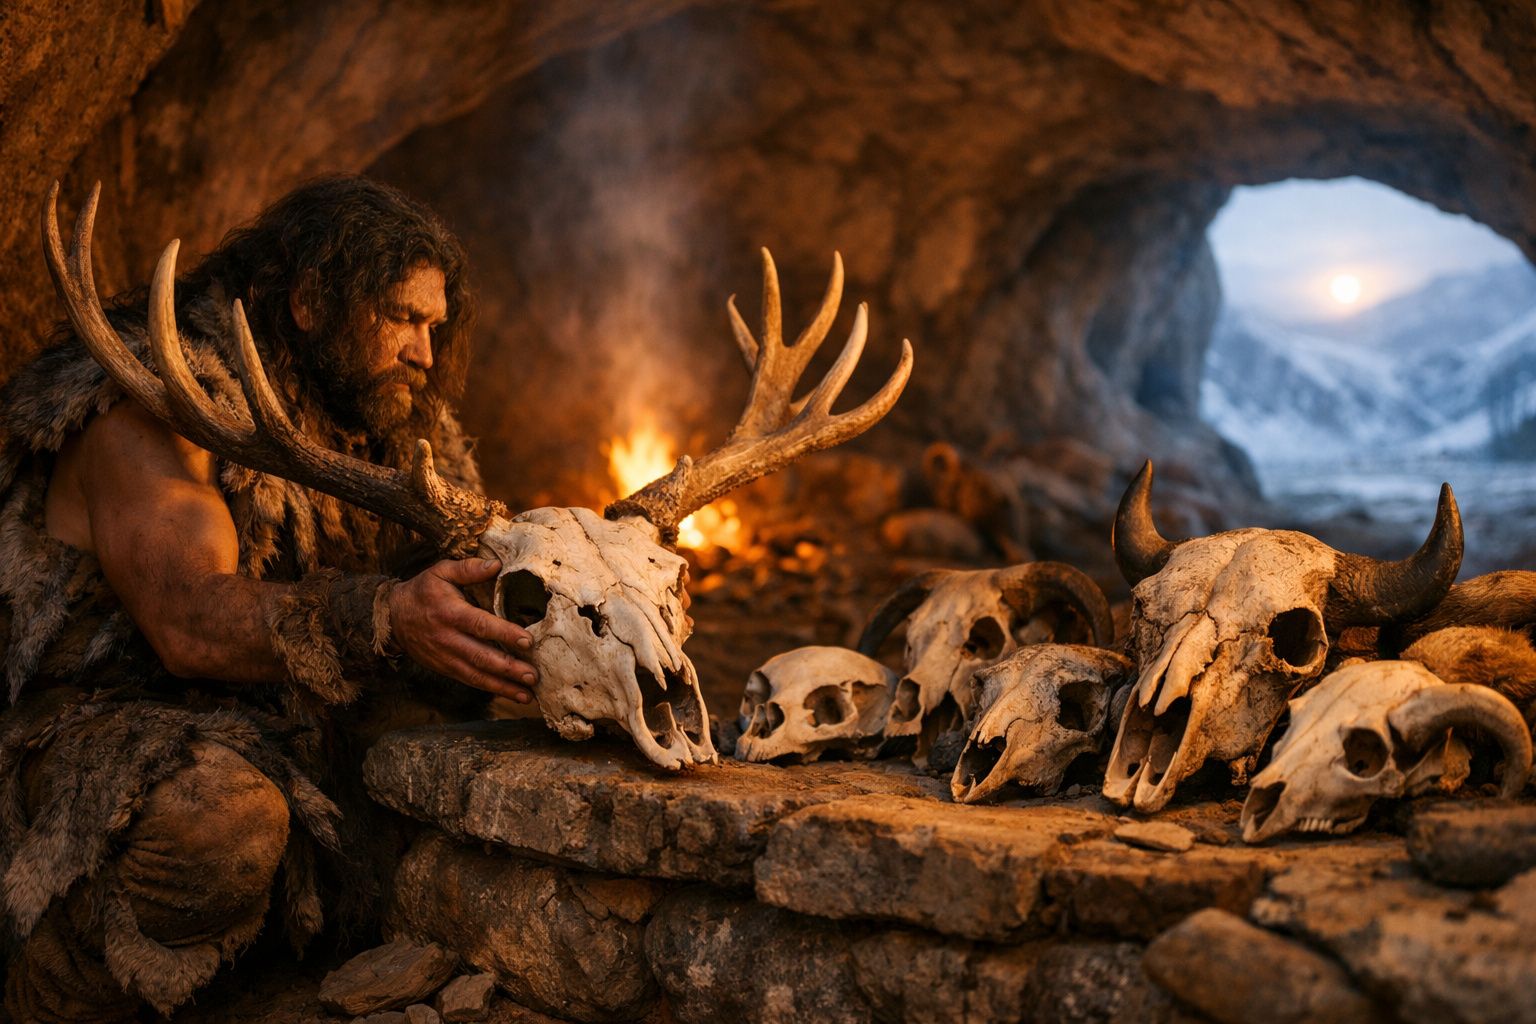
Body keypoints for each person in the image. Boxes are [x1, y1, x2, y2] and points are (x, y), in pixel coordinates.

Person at [0, 176, 530, 1021]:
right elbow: (187, 624)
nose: (426, 353)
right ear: (313, 301)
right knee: (220, 824)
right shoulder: (166, 396)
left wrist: (588, 597)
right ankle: (50, 997)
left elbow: (469, 567)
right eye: (401, 317)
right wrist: (386, 617)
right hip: (109, 721)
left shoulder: (388, 423)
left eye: (434, 325)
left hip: (287, 721)